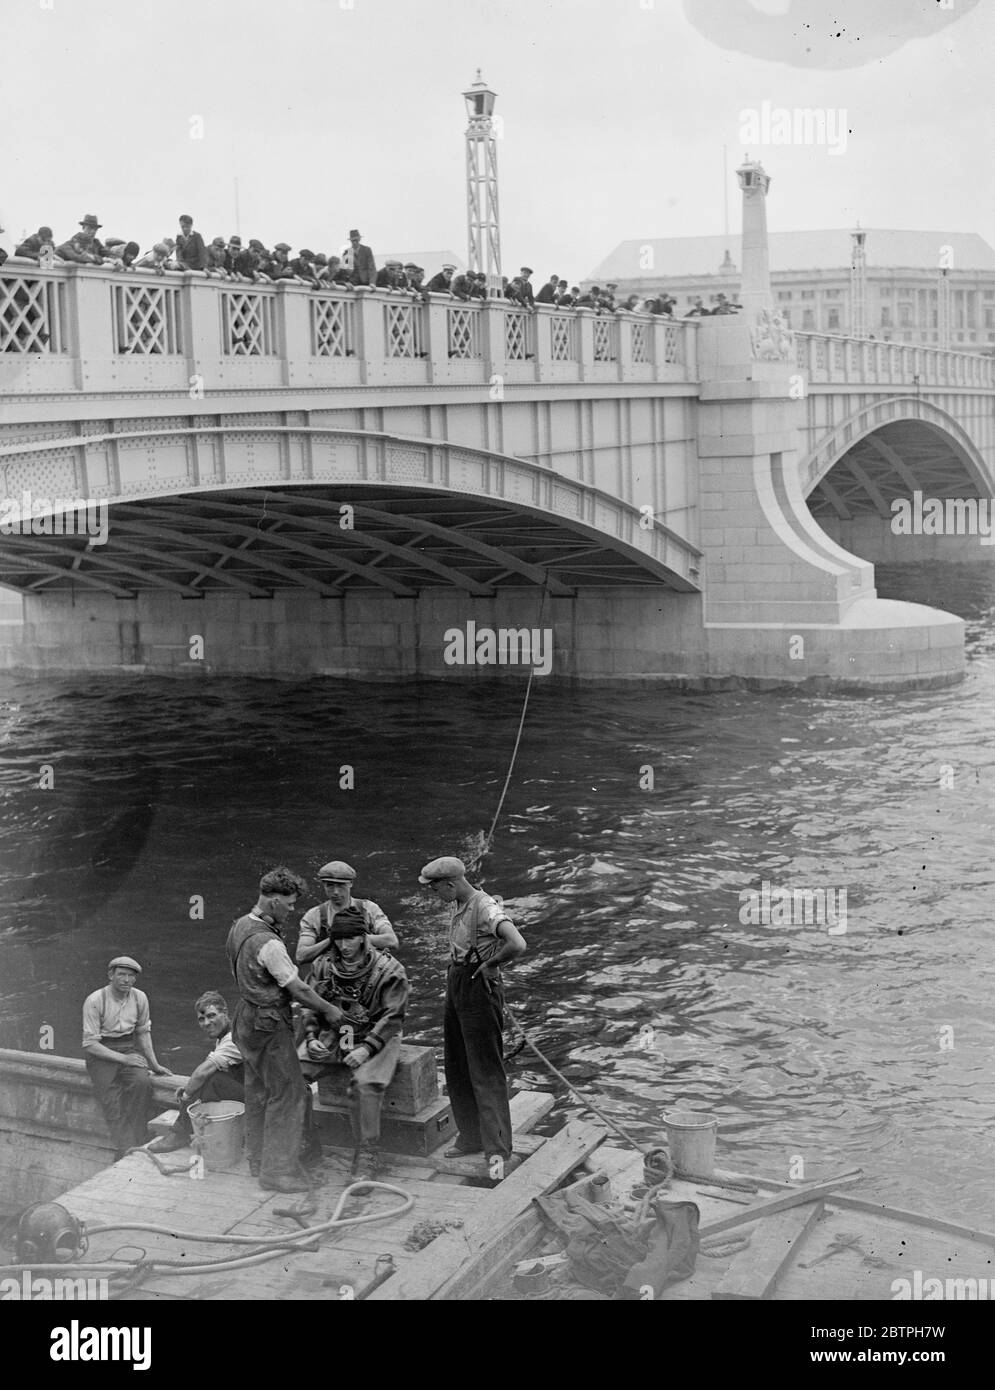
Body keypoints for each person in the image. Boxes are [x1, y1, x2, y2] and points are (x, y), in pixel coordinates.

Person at [226, 866, 343, 1193]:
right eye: (290, 904)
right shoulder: (269, 943)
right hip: (268, 1023)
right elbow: (300, 990)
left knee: (258, 1089)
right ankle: (277, 1172)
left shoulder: (240, 927)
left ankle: (258, 1160)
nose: (292, 911)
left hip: (245, 1017)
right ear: (274, 901)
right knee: (288, 1092)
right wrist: (330, 1010)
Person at [418, 856, 526, 1171]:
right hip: (458, 982)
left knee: (485, 1070)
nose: (434, 895)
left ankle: (498, 1148)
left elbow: (517, 943)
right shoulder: (461, 904)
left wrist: (492, 964)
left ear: (451, 884)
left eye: (435, 888)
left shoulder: (485, 906)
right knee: (457, 1064)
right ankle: (470, 1136)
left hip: (479, 987)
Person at [300, 909, 410, 1178]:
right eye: (338, 939)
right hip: (338, 1031)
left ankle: (368, 1152)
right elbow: (309, 1005)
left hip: (378, 1035)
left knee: (364, 1086)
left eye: (350, 939)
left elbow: (393, 1016)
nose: (344, 946)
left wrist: (366, 1049)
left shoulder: (390, 970)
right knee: (294, 1076)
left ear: (363, 938)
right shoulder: (323, 966)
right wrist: (312, 1037)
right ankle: (306, 1142)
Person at [82, 956, 173, 1159]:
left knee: (142, 1084)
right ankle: (126, 1150)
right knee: (112, 1102)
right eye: (121, 974)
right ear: (110, 975)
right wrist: (124, 1060)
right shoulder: (96, 1000)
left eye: (131, 976)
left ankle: (137, 1141)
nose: (126, 980)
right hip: (101, 1052)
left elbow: (142, 1032)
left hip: (127, 1047)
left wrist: (154, 1064)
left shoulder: (140, 998)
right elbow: (90, 1044)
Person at [147, 991, 244, 1153]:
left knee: (212, 1078)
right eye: (202, 1018)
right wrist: (189, 1088)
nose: (207, 1022)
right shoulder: (224, 1035)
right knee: (210, 1078)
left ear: (225, 1013)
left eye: (212, 1016)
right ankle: (184, 1130)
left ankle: (180, 1133)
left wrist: (186, 1096)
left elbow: (202, 1073)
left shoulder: (233, 1038)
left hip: (259, 1100)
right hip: (248, 1092)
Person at [296, 860, 398, 985]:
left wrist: (357, 939)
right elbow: (301, 956)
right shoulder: (314, 915)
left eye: (340, 886)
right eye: (330, 886)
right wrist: (333, 939)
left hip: (367, 977)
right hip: (331, 978)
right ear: (323, 885)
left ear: (351, 884)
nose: (335, 892)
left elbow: (392, 941)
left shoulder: (369, 909)